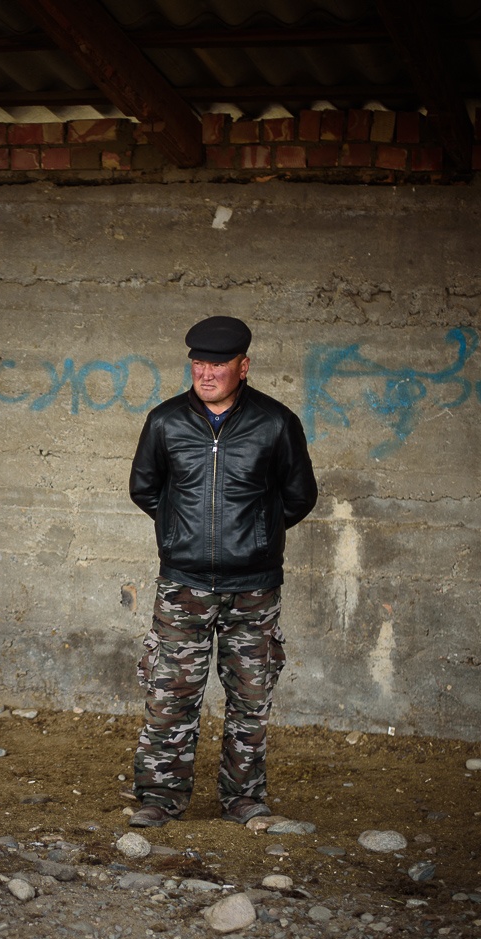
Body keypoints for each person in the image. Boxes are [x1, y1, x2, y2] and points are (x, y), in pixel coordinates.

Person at [125, 315, 318, 828]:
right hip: (183, 586)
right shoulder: (165, 421)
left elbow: (300, 497)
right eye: (198, 362)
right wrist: (179, 534)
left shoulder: (277, 424)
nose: (206, 372)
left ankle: (243, 798)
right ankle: (159, 799)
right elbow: (145, 488)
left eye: (218, 363)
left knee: (251, 700)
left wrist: (255, 537)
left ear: (244, 366)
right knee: (170, 697)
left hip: (253, 590)